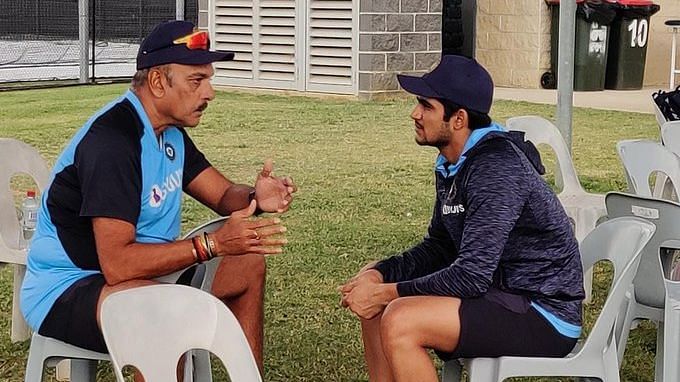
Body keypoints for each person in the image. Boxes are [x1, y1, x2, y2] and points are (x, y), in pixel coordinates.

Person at [20, 20, 296, 372]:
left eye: (208, 79)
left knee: (247, 265)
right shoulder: (113, 143)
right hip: (69, 286)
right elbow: (118, 265)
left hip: (140, 274)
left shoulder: (169, 134)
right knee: (166, 314)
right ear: (157, 82)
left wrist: (255, 196)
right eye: (197, 80)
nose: (210, 92)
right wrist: (212, 245)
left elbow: (224, 193)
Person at [339, 55, 584, 382]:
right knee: (378, 290)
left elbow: (471, 276)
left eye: (426, 106)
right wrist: (380, 274)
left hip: (544, 312)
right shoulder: (455, 164)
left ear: (458, 119)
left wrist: (387, 293)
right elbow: (439, 247)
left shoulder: (496, 168)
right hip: (501, 296)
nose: (415, 113)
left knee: (400, 318)